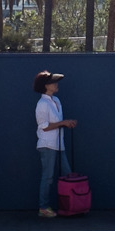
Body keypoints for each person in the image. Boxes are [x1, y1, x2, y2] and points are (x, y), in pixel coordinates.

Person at [33, 69, 76, 219]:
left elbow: (56, 123)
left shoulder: (56, 101)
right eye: (53, 82)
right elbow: (44, 126)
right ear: (46, 85)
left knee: (67, 173)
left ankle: (71, 204)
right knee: (48, 177)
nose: (56, 84)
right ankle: (43, 207)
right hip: (47, 145)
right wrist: (63, 123)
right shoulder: (42, 104)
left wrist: (66, 123)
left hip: (59, 144)